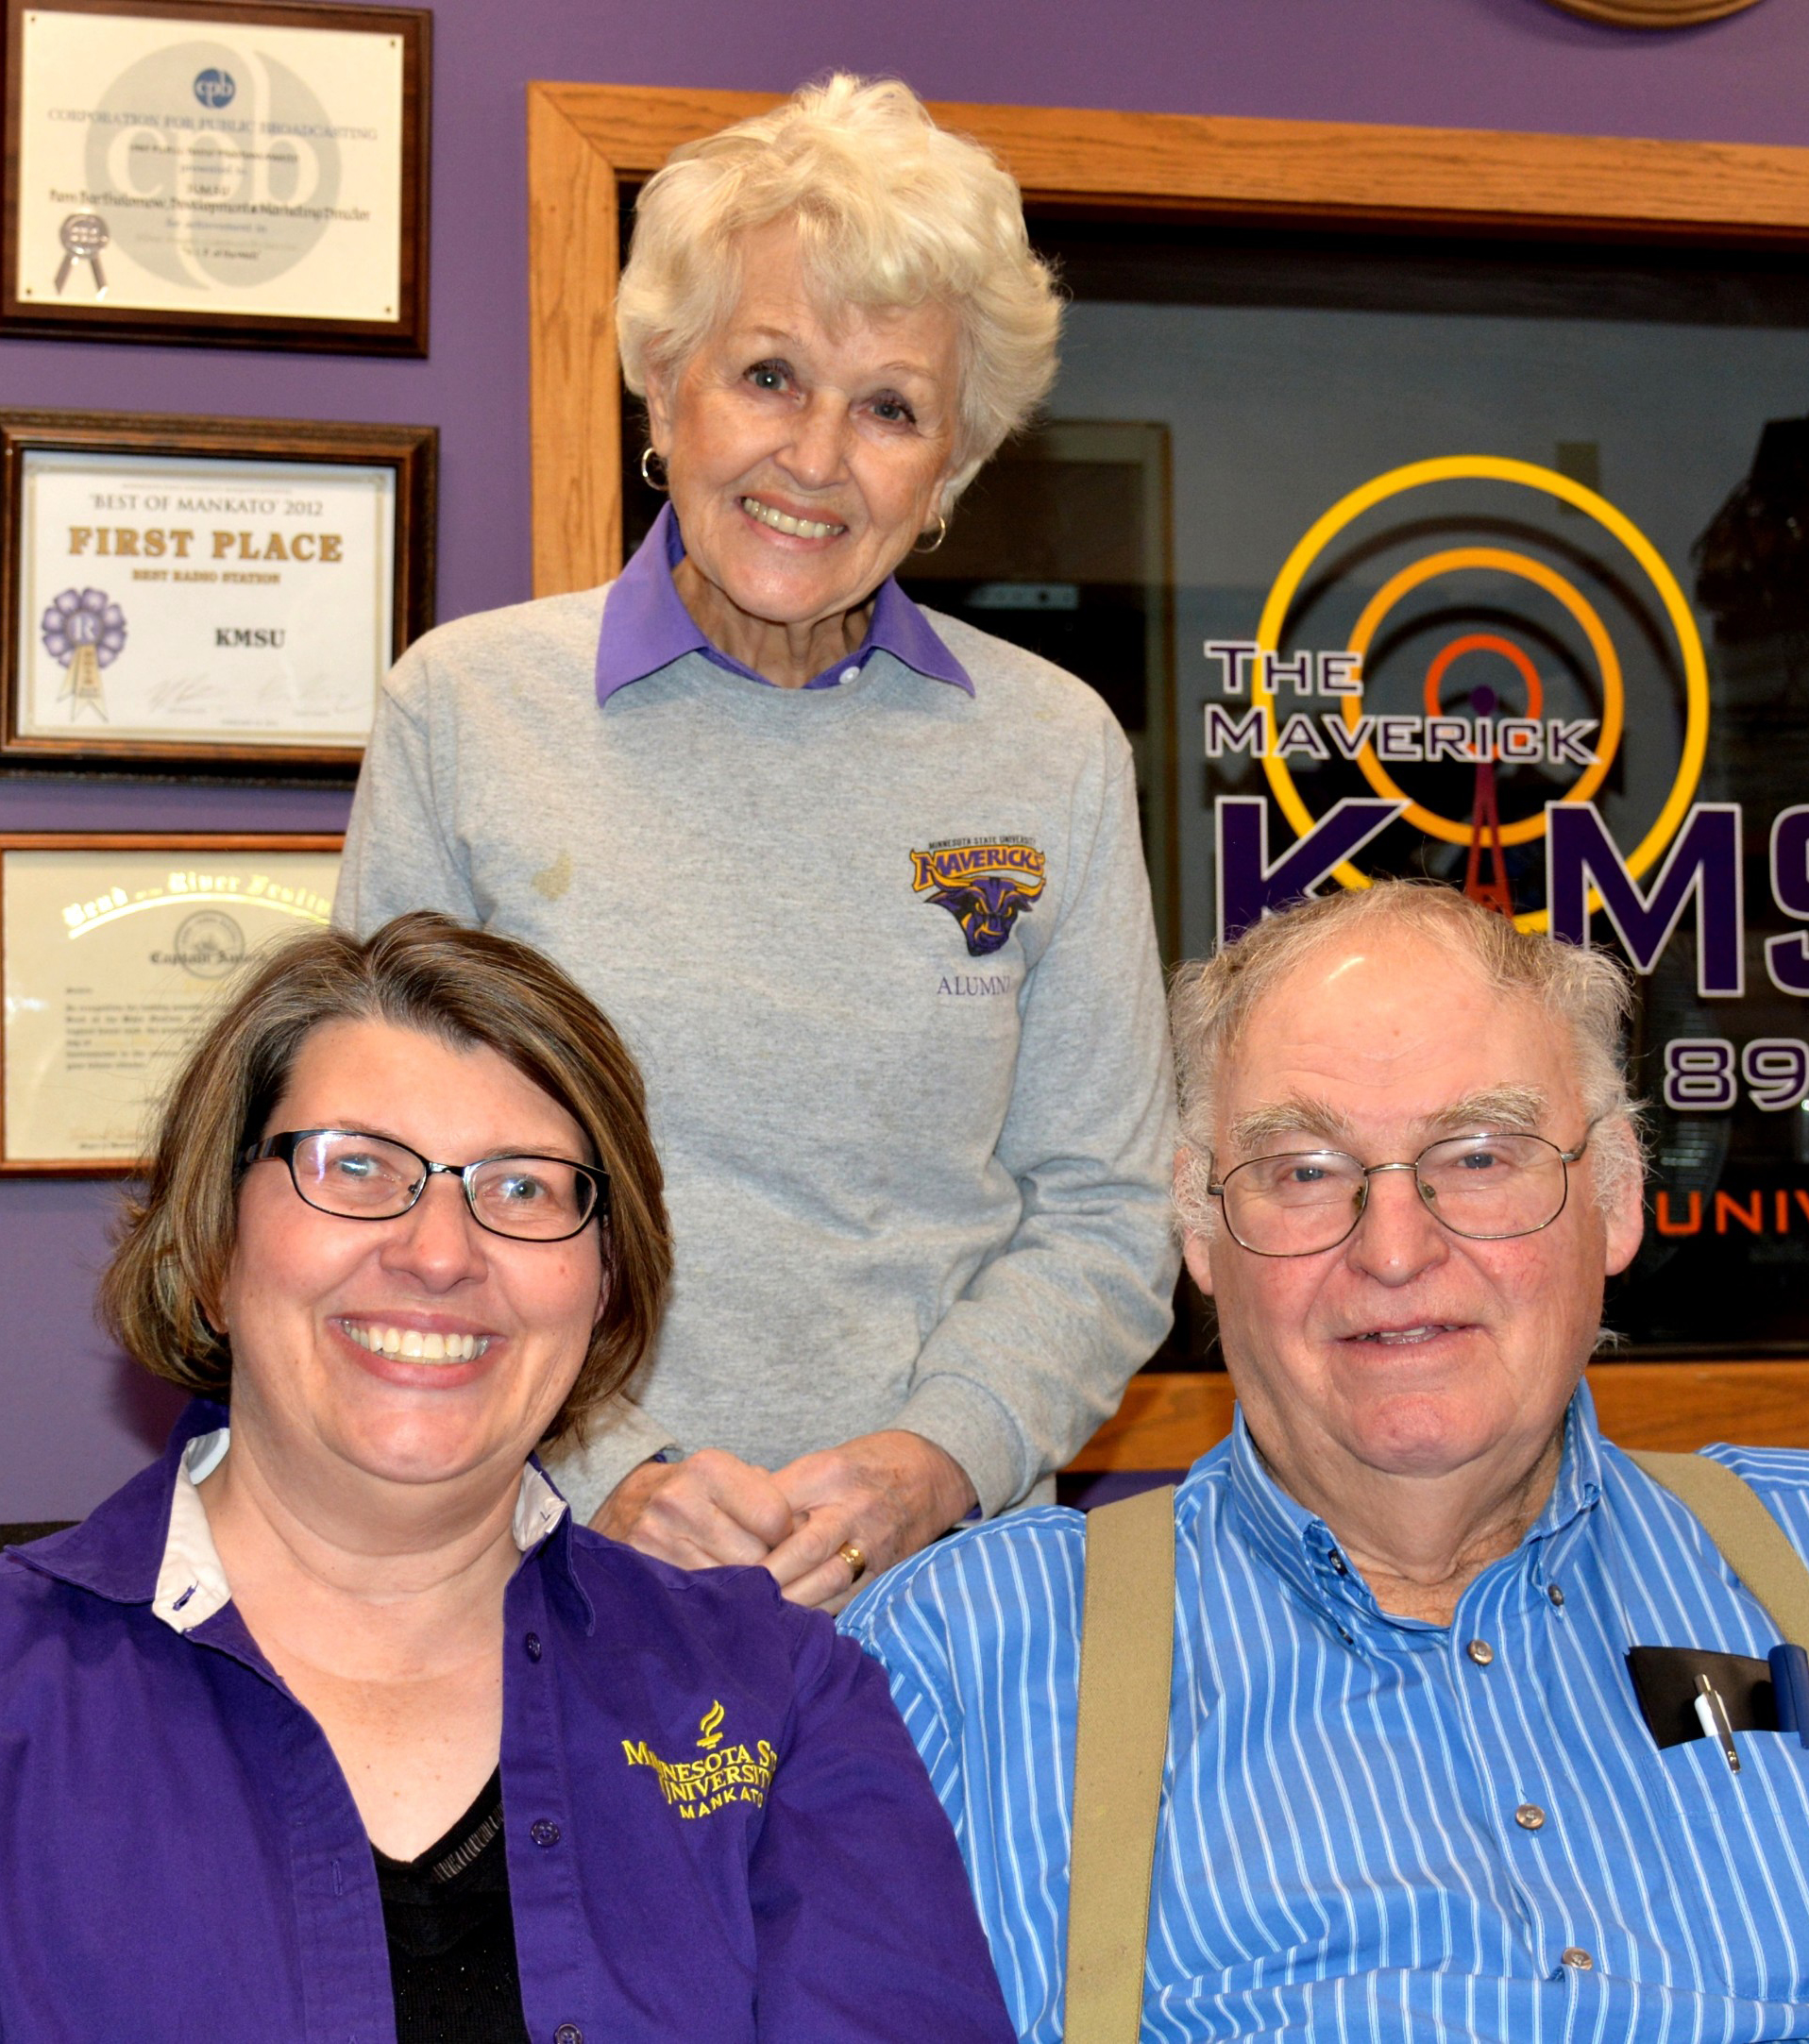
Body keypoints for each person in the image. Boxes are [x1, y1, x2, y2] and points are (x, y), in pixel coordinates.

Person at [335, 73, 1174, 1606]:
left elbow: (1109, 1214)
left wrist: (932, 1461)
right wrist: (612, 1469)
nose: (816, 457)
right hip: (541, 1568)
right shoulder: (464, 712)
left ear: (952, 469)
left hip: (947, 1602)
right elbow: (389, 1181)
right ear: (664, 382)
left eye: (892, 409)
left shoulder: (1053, 750)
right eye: (770, 375)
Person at [3, 912, 1011, 2044]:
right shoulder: (1, 1694)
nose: (439, 1251)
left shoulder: (780, 1696)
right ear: (216, 1242)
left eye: (524, 1187)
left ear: (604, 1280)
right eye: (357, 1166)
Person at [843, 882, 1809, 2044]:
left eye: (1480, 1154)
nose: (1395, 1248)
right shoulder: (963, 1659)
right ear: (1198, 1232)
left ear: (1613, 1198)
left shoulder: (1791, 1552)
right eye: (1303, 1169)